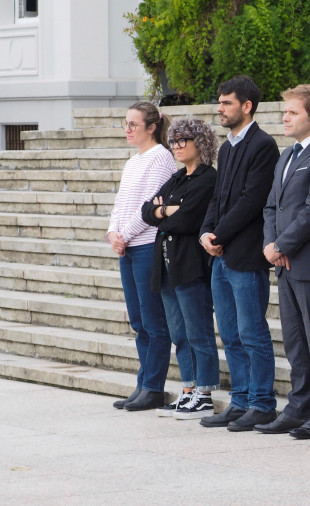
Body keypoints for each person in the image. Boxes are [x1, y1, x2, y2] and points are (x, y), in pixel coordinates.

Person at [198, 75, 280, 431]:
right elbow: (218, 197)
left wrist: (219, 232)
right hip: (221, 255)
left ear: (246, 106)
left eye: (227, 102)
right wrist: (205, 231)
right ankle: (241, 400)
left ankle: (262, 403)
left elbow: (252, 201)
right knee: (229, 333)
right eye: (219, 102)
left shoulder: (263, 145)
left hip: (246, 255)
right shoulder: (227, 147)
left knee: (252, 333)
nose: (220, 108)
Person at [140, 117, 220, 420]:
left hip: (190, 265)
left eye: (182, 140)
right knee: (179, 333)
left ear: (199, 142)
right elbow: (148, 210)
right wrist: (165, 210)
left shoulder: (207, 178)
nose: (176, 146)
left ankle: (205, 393)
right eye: (173, 141)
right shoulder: (176, 178)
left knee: (198, 331)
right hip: (166, 265)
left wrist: (167, 211)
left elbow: (188, 219)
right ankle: (188, 389)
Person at [258, 84, 310, 438]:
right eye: (285, 111)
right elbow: (270, 206)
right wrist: (270, 244)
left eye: (292, 112)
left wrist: (283, 244)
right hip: (282, 263)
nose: (285, 117)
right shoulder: (287, 155)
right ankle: (296, 407)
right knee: (294, 342)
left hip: (307, 263)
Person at [108, 102, 177, 412]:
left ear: (152, 127)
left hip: (147, 245)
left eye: (133, 124)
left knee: (153, 320)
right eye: (126, 123)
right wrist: (112, 233)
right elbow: (121, 202)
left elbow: (151, 206)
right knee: (138, 320)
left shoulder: (161, 158)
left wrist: (126, 235)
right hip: (127, 247)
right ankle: (143, 383)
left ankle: (153, 387)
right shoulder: (133, 161)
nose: (127, 129)